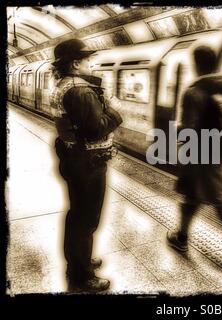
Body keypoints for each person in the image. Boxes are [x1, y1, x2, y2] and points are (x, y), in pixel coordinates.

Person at [166, 45, 222, 277]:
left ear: (196, 64)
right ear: (216, 64)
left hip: (201, 159)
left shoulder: (193, 92)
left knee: (190, 200)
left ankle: (181, 237)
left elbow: (187, 130)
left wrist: (181, 154)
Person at [50, 39, 123, 292]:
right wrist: (115, 110)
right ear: (76, 63)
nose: (91, 63)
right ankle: (84, 275)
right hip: (88, 163)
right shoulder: (81, 91)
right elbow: (95, 129)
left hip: (75, 158)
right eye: (87, 59)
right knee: (87, 220)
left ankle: (78, 262)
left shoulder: (63, 85)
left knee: (76, 214)